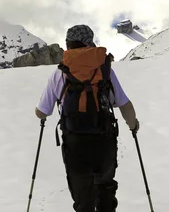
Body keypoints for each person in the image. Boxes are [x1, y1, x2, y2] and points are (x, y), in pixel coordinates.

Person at [35, 24, 139, 212]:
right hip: (104, 140)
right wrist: (133, 125)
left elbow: (42, 111)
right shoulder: (104, 70)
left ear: (68, 44)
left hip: (75, 144)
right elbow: (124, 104)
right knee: (105, 189)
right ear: (89, 43)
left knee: (84, 201)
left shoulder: (60, 73)